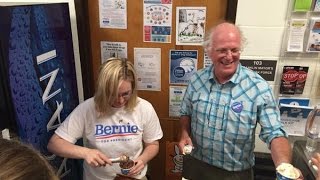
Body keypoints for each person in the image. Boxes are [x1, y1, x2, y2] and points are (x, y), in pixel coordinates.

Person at [178, 22, 302, 180]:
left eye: (234, 50)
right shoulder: (196, 80)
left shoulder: (258, 87)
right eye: (222, 50)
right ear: (209, 51)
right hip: (195, 166)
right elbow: (185, 112)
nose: (229, 56)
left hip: (235, 173)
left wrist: (285, 167)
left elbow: (275, 133)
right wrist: (184, 133)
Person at [47, 58, 163, 180]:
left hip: (134, 177)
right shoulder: (88, 109)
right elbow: (54, 144)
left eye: (125, 94)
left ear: (133, 89)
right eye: (112, 94)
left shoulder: (144, 108)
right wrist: (86, 153)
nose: (120, 100)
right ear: (102, 90)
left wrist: (142, 160)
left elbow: (153, 144)